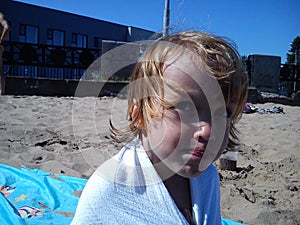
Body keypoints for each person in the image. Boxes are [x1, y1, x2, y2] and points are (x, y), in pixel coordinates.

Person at [71, 31, 248, 225]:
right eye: (185, 107)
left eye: (223, 113)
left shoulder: (208, 176)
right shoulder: (109, 190)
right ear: (139, 114)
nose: (208, 131)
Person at [0, 12, 10, 95]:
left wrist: (1, 40)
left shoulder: (0, 16)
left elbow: (7, 27)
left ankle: (1, 92)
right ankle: (1, 92)